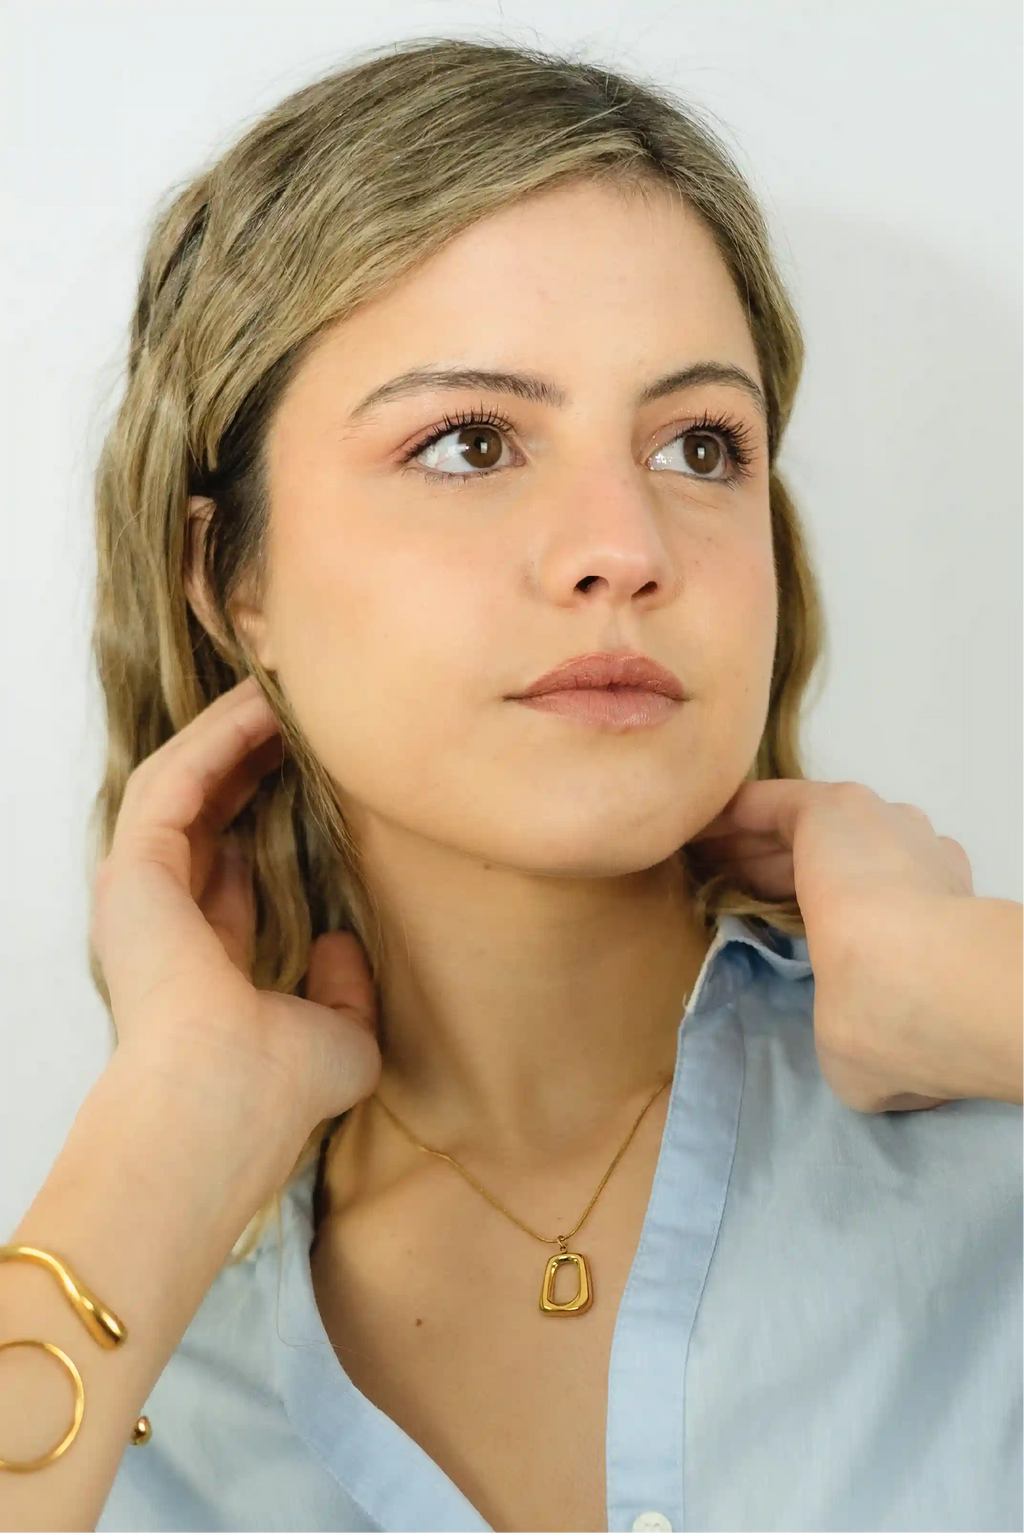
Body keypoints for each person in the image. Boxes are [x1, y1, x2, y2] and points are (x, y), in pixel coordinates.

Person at [2, 34, 1022, 1536]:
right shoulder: (137, 1322)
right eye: (471, 442)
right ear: (228, 579)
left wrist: (984, 991)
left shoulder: (991, 1138)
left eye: (698, 443)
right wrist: (158, 1144)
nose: (627, 544)